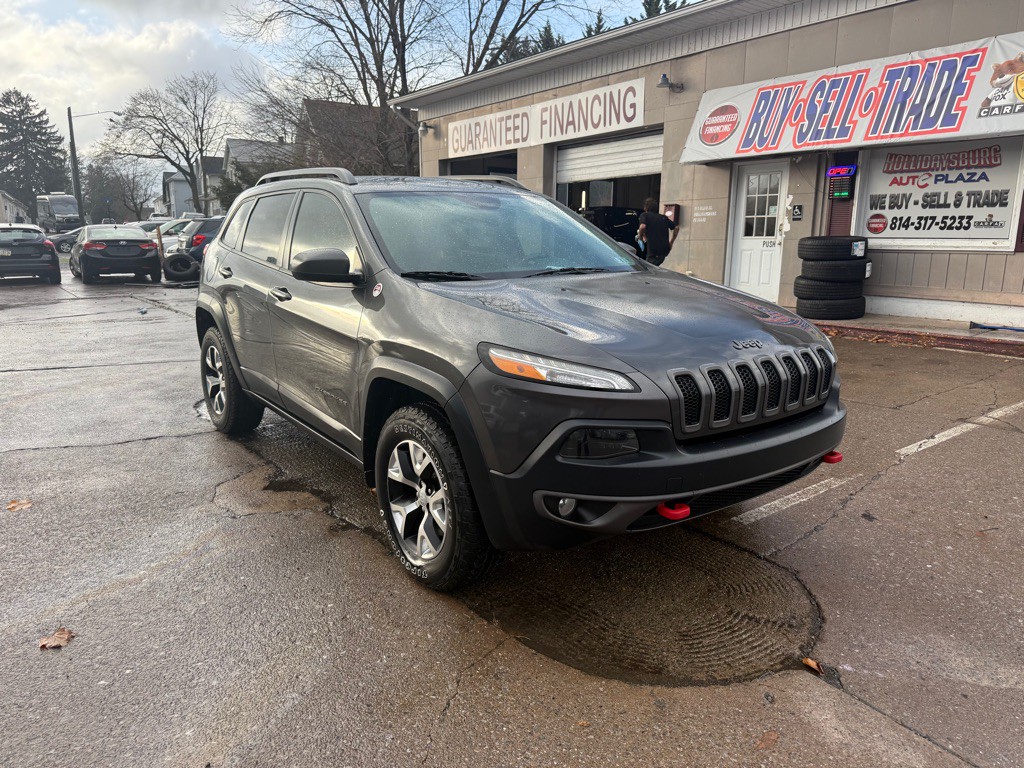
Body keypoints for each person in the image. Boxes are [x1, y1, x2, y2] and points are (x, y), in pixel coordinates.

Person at [636, 197, 677, 266]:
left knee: (649, 269)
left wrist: (640, 237)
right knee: (655, 266)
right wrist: (671, 242)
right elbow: (676, 227)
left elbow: (642, 226)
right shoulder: (663, 217)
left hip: (653, 250)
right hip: (664, 249)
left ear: (645, 208)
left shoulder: (645, 215)